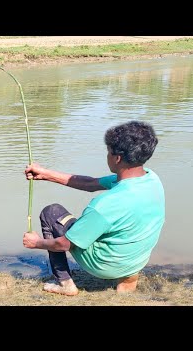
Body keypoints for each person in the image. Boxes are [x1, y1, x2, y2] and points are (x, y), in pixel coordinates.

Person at [22, 120, 165, 296]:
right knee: (129, 227)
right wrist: (45, 174)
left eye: (108, 151)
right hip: (137, 260)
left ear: (117, 158)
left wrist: (36, 243)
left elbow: (63, 244)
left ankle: (65, 284)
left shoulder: (106, 204)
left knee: (51, 212)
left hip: (104, 266)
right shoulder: (151, 180)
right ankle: (128, 279)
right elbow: (90, 183)